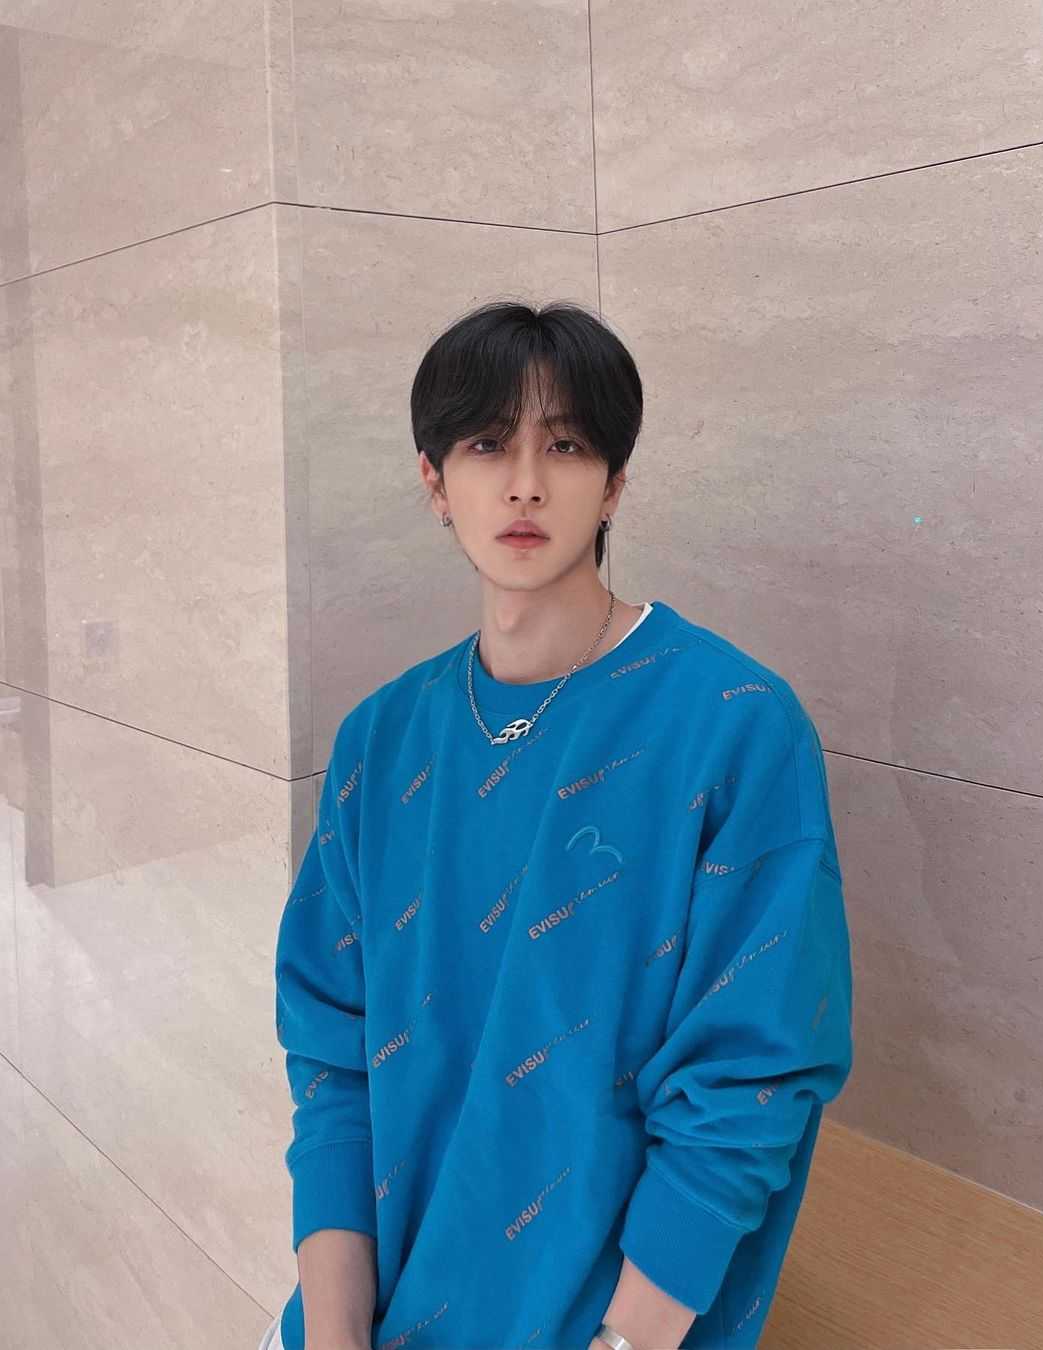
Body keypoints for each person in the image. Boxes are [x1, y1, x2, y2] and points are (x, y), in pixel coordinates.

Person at [266, 301, 854, 1350]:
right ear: (434, 480)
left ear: (615, 482)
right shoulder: (379, 741)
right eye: (488, 444)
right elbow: (334, 1061)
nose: (526, 482)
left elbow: (747, 1088)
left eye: (568, 445)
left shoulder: (734, 726)